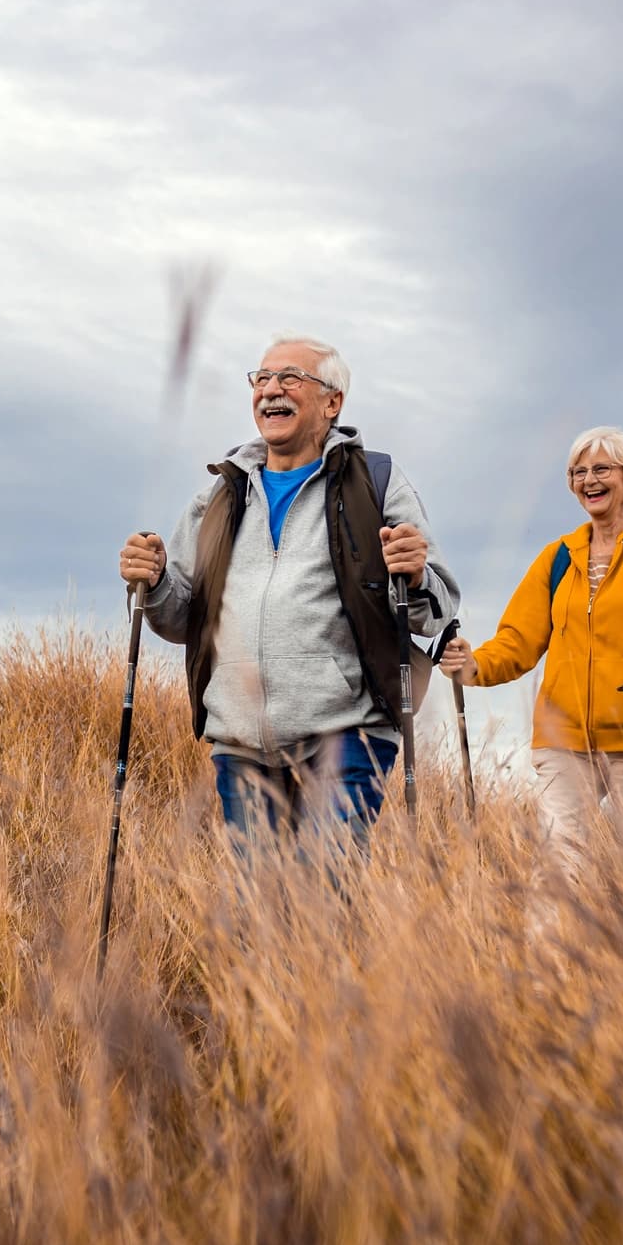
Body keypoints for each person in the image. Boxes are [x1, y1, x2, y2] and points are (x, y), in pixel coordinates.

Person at [118, 333, 459, 857]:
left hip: (347, 735)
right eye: (262, 378)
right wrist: (155, 580)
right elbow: (180, 615)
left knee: (322, 900)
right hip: (240, 743)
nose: (271, 390)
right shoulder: (220, 493)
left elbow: (437, 608)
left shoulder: (376, 483)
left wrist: (413, 576)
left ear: (332, 402)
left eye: (290, 378)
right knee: (257, 917)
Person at [437, 426, 623, 861]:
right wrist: (474, 665)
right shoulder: (558, 557)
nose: (588, 481)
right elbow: (518, 640)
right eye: (577, 472)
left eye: (602, 469)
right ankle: (551, 934)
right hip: (563, 739)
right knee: (559, 862)